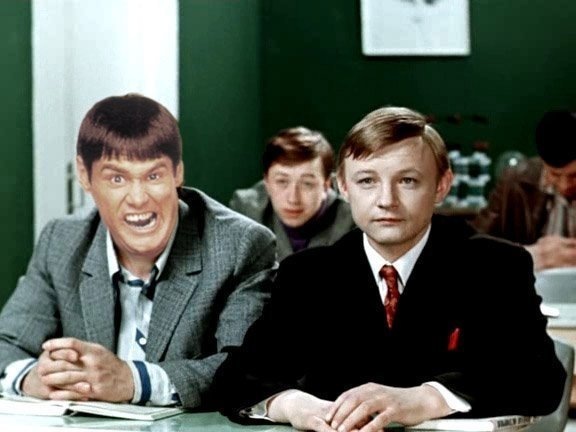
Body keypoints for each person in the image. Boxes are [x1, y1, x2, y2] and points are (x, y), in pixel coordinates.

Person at [213, 106, 565, 431]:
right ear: (343, 187)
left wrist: (426, 398)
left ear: (441, 185)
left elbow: (541, 379)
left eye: (407, 181)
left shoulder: (495, 266)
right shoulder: (306, 275)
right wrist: (292, 404)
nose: (386, 201)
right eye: (367, 181)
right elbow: (236, 378)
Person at [0, 94, 276, 409]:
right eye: (117, 178)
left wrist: (133, 381)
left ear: (178, 172)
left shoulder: (241, 246)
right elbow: (6, 343)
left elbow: (247, 369)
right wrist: (33, 378)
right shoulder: (62, 242)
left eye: (153, 176)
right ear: (85, 176)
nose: (138, 198)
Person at [229, 126, 355, 260]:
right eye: (282, 181)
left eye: (307, 184)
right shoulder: (245, 212)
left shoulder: (354, 218)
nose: (293, 199)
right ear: (267, 183)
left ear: (326, 186)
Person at [472, 109, 576, 271]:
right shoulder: (514, 182)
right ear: (543, 162)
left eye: (574, 176)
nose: (565, 186)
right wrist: (534, 256)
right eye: (555, 174)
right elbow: (471, 248)